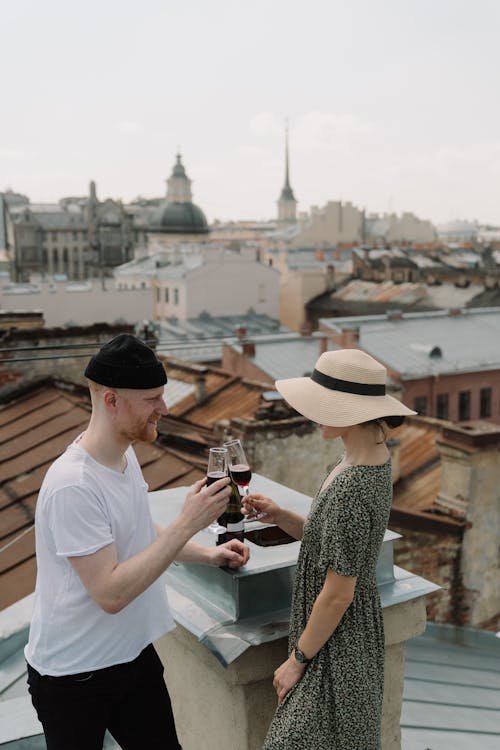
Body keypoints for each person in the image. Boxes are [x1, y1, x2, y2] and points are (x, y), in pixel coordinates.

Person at [25, 334, 250, 750]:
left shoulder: (123, 456)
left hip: (131, 656)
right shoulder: (73, 485)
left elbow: (140, 532)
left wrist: (210, 554)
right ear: (112, 400)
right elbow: (110, 593)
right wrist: (188, 523)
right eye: (152, 399)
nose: (164, 408)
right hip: (73, 677)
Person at [244, 348, 415, 750]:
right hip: (339, 635)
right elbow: (339, 546)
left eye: (322, 404)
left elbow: (339, 593)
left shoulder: (353, 485)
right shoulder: (362, 456)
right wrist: (283, 516)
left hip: (336, 646)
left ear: (350, 411)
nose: (312, 413)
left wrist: (296, 662)